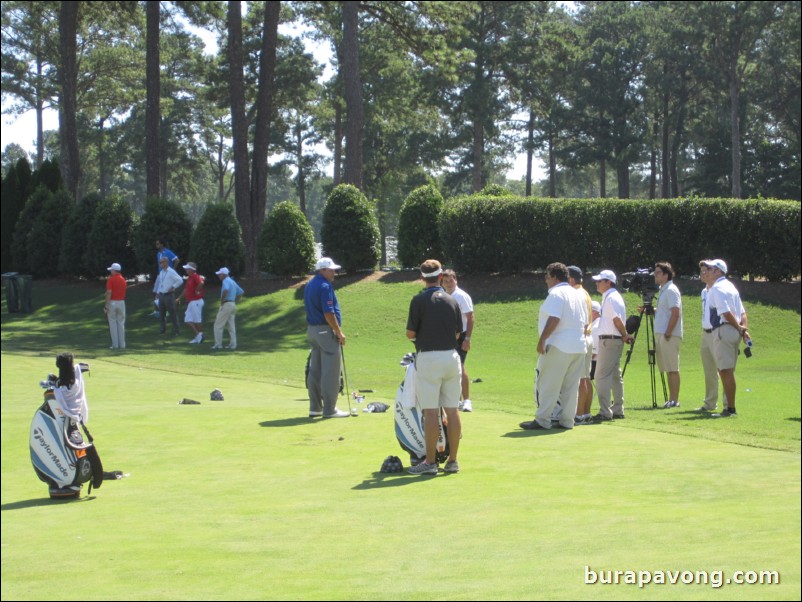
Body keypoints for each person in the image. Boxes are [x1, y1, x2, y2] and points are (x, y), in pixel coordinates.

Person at [406, 259, 463, 475]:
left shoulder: (418, 300)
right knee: (452, 409)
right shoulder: (451, 300)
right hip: (451, 356)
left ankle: (430, 463)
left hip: (429, 358)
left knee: (430, 412)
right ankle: (453, 461)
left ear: (422, 278)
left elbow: (410, 333)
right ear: (441, 277)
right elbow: (458, 334)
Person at [520, 263, 587, 431]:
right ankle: (567, 420)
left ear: (555, 277)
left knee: (548, 383)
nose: (546, 281)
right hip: (579, 345)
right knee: (571, 386)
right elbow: (585, 322)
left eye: (547, 277)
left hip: (559, 344)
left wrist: (542, 340)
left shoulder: (557, 293)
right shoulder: (577, 294)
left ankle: (542, 419)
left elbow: (554, 318)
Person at [699, 259, 749, 417]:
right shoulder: (731, 287)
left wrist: (739, 327)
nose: (708, 270)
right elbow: (742, 313)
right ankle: (730, 408)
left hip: (723, 330)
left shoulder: (717, 288)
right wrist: (742, 329)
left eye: (712, 268)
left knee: (725, 371)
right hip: (732, 332)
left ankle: (730, 409)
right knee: (728, 370)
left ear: (718, 271)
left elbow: (725, 312)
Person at [304, 258, 349, 418]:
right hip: (325, 330)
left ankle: (315, 407)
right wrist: (339, 332)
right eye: (331, 270)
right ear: (322, 270)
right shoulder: (324, 286)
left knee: (315, 370)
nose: (334, 273)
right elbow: (328, 312)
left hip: (312, 331)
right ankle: (330, 410)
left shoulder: (310, 284)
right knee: (331, 371)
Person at [591, 270, 634, 422]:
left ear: (608, 282)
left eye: (599, 281)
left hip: (609, 340)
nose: (597, 283)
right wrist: (624, 335)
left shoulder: (610, 298)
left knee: (600, 375)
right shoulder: (612, 296)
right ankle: (617, 409)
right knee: (616, 375)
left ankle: (605, 411)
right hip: (613, 340)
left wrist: (624, 334)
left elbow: (616, 320)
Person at [442, 269, 475, 412]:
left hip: (461, 336)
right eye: (445, 281)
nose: (448, 284)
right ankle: (456, 400)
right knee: (449, 368)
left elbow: (470, 318)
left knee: (460, 367)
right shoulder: (442, 295)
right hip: (447, 336)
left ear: (456, 280)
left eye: (451, 281)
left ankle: (467, 400)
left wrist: (467, 338)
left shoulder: (462, 296)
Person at [653, 261, 683, 408]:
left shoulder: (671, 290)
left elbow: (675, 312)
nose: (655, 275)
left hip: (668, 334)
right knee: (667, 367)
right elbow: (665, 311)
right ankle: (671, 399)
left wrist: (668, 332)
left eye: (658, 272)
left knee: (672, 368)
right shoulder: (663, 290)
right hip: (662, 333)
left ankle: (674, 400)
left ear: (666, 275)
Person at [568, 266, 593, 424]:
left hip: (582, 336)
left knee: (580, 378)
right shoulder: (585, 292)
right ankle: (586, 413)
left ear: (571, 279)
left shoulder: (576, 293)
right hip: (588, 337)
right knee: (586, 377)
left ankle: (579, 414)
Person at [54, 352, 89, 445]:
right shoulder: (77, 383)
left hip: (66, 420)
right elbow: (83, 367)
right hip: (75, 418)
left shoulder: (60, 387)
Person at [212, 267, 244, 350]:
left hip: (226, 304)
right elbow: (241, 292)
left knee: (218, 325)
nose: (218, 275)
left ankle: (218, 345)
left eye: (219, 274)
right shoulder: (232, 281)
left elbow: (225, 290)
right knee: (231, 326)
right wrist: (235, 301)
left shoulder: (225, 280)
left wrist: (222, 300)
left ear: (223, 274)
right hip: (232, 304)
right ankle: (233, 345)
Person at [152, 256, 183, 336]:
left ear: (166, 262)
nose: (161, 264)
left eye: (162, 262)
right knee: (161, 314)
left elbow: (180, 280)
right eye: (160, 262)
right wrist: (157, 294)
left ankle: (177, 330)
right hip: (161, 295)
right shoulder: (161, 272)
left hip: (169, 295)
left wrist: (173, 287)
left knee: (172, 313)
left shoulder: (171, 271)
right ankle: (162, 329)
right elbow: (160, 284)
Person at [178, 262, 205, 344]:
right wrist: (179, 297)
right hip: (191, 302)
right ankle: (198, 335)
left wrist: (197, 290)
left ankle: (199, 337)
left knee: (197, 320)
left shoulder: (195, 276)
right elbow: (186, 289)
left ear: (191, 269)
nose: (186, 269)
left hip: (196, 301)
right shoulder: (190, 278)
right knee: (187, 320)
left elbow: (201, 283)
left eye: (187, 268)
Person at [104, 262, 127, 349]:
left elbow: (109, 292)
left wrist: (106, 305)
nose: (111, 272)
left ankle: (115, 345)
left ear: (114, 270)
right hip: (121, 302)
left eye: (111, 270)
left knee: (112, 323)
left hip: (113, 302)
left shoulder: (111, 279)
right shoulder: (123, 279)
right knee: (121, 323)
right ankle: (122, 344)